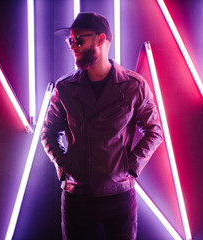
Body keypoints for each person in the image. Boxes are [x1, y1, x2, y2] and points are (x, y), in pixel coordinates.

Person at [41, 12, 163, 240]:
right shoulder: (65, 88)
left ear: (100, 39)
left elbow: (154, 131)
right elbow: (48, 132)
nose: (72, 46)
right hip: (77, 195)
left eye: (78, 40)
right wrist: (65, 165)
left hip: (119, 196)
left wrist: (131, 167)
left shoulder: (133, 86)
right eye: (70, 41)